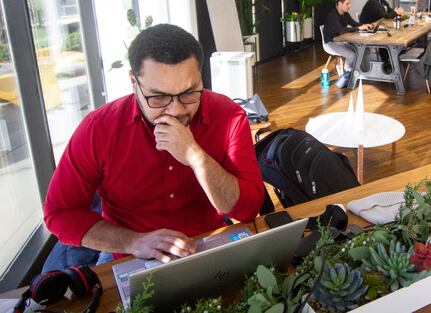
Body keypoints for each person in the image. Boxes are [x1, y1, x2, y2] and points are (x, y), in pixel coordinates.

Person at [43, 24, 265, 265]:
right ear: (133, 81)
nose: (177, 110)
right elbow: (59, 213)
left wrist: (196, 157)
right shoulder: (98, 129)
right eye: (158, 97)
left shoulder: (228, 116)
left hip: (206, 239)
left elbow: (248, 210)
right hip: (129, 252)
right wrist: (133, 242)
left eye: (189, 92)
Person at [323, 0, 372, 88]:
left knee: (364, 50)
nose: (349, 6)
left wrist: (365, 25)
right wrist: (359, 28)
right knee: (352, 55)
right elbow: (341, 30)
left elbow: (354, 23)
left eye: (349, 3)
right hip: (331, 43)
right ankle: (347, 76)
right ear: (339, 4)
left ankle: (363, 73)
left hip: (341, 41)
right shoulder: (332, 16)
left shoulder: (345, 14)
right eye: (347, 4)